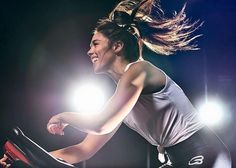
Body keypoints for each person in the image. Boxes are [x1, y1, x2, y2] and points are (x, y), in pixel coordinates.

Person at [1, 0, 232, 167]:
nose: (89, 50)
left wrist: (64, 116)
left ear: (117, 46)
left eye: (95, 43)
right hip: (177, 159)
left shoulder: (139, 70)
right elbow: (83, 150)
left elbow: (100, 124)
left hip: (203, 152)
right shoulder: (121, 97)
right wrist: (26, 157)